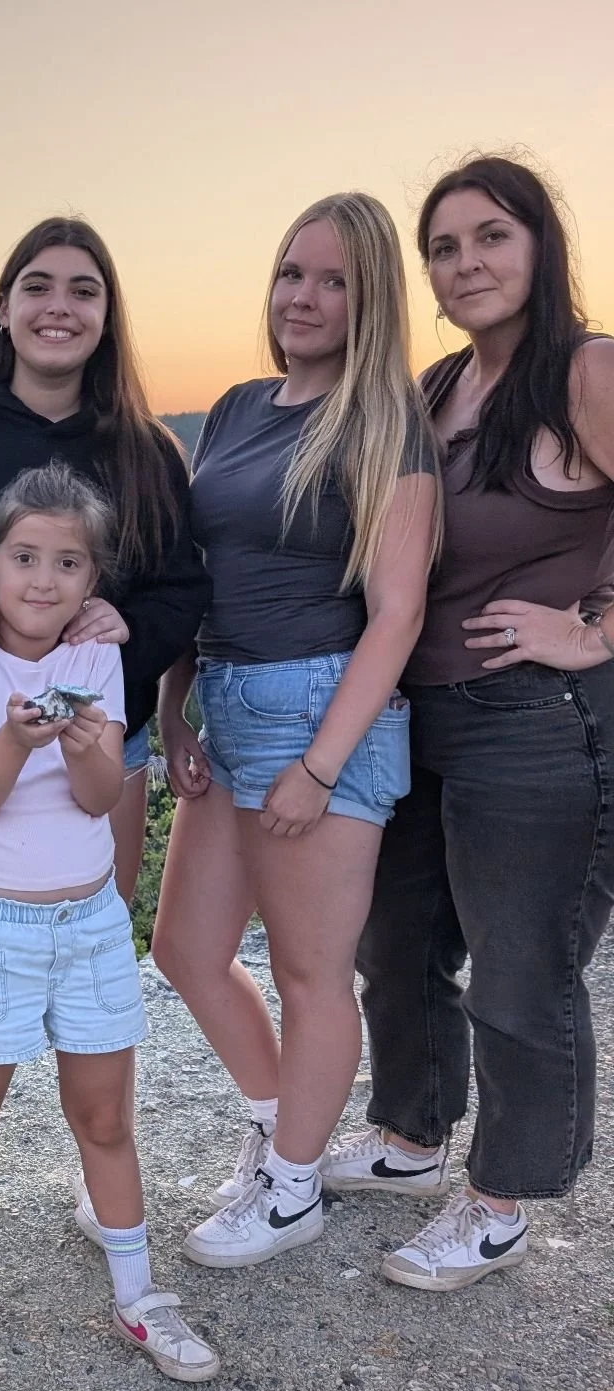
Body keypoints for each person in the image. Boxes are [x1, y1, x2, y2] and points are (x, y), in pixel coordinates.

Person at [0, 216, 208, 1264]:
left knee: (93, 947)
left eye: (83, 289)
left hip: (103, 746)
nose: (60, 306)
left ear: (107, 314)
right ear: (6, 305)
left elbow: (180, 590)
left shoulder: (142, 450)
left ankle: (101, 1176)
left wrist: (121, 633)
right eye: (39, 285)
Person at [328, 156, 614, 1290]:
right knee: (394, 941)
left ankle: (501, 1198)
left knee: (518, 968)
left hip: (535, 724)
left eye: (491, 236)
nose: (466, 263)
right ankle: (412, 1134)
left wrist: (589, 628)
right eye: (443, 248)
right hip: (423, 716)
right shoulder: (439, 386)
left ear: (540, 244)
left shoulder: (585, 372)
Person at [145, 193, 439, 1269]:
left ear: (370, 301)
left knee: (312, 973)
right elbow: (200, 572)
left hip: (320, 707)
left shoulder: (385, 421)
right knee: (185, 948)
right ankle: (282, 1126)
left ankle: (291, 1191)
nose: (302, 298)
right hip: (226, 701)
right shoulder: (234, 408)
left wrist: (320, 767)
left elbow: (398, 612)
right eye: (289, 273)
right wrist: (174, 707)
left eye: (332, 281)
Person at [0, 461, 218, 1391]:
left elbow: (97, 798)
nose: (44, 580)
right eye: (26, 558)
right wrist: (16, 738)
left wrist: (87, 750)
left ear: (92, 580)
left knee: (105, 1119)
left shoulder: (93, 657)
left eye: (69, 563)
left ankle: (138, 1294)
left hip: (89, 923)